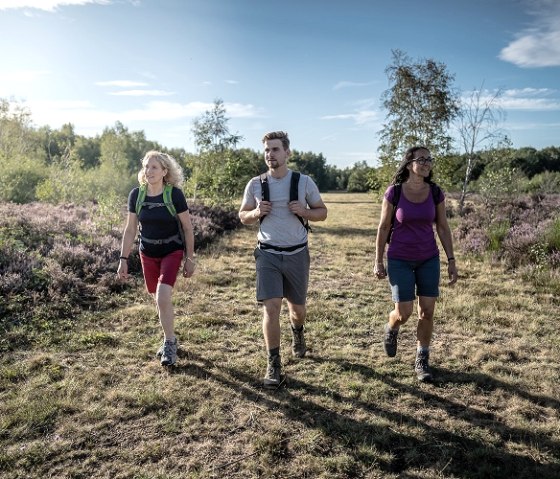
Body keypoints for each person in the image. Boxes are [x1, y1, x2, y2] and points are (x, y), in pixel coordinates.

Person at [239, 131, 328, 387]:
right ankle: (274, 364)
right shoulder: (255, 184)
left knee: (297, 310)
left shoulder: (303, 182)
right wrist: (255, 212)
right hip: (266, 253)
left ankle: (298, 332)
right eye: (267, 150)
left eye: (275, 149)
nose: (270, 154)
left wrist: (305, 211)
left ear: (287, 153)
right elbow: (242, 215)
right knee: (271, 308)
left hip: (297, 254)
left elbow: (322, 213)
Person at [374, 146, 458, 382]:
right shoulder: (394, 192)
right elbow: (382, 228)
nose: (426, 163)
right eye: (421, 159)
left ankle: (422, 358)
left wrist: (451, 260)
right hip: (399, 258)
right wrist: (378, 261)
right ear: (409, 163)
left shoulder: (435, 192)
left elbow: (442, 227)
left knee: (427, 311)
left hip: (428, 258)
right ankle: (392, 327)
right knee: (404, 312)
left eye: (429, 159)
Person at [117, 150, 196, 367]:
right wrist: (123, 258)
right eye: (146, 166)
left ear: (164, 171)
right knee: (158, 297)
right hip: (147, 253)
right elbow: (130, 229)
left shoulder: (174, 194)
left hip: (172, 250)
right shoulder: (136, 195)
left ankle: (169, 343)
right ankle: (169, 335)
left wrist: (190, 258)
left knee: (162, 295)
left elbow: (188, 228)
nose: (148, 171)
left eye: (154, 167)